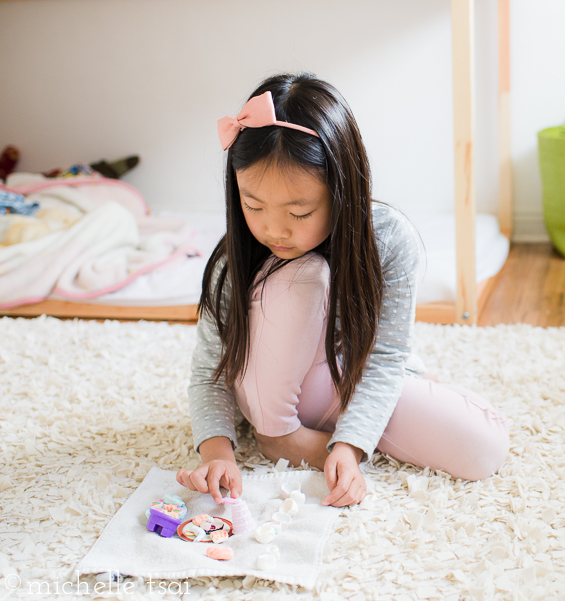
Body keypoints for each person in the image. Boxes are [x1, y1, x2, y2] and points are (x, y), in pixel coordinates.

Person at [175, 73, 509, 508]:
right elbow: (208, 372)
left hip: (341, 380)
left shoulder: (388, 240)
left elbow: (385, 357)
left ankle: (347, 423)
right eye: (252, 205)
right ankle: (278, 436)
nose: (273, 229)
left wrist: (349, 447)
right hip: (270, 390)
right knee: (304, 275)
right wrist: (217, 453)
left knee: (484, 449)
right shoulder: (234, 259)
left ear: (342, 188)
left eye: (299, 211)